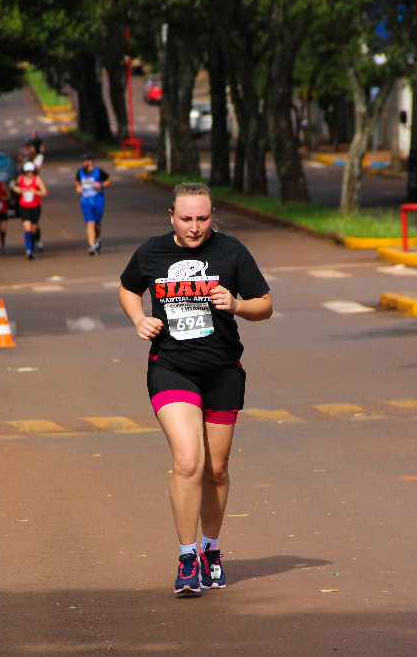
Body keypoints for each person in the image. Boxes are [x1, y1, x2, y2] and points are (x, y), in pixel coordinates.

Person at [118, 182, 273, 596]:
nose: (194, 227)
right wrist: (138, 319)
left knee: (216, 471)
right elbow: (129, 287)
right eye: (186, 219)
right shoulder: (152, 252)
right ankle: (188, 558)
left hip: (222, 370)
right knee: (189, 461)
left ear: (212, 215)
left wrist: (237, 305)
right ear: (171, 216)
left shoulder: (231, 251)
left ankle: (211, 549)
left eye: (202, 218)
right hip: (171, 368)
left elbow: (265, 304)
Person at [75, 153, 110, 255]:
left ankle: (98, 239)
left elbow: (108, 181)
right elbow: (77, 181)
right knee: (90, 223)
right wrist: (78, 187)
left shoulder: (99, 172)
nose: (82, 164)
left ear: (90, 162)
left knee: (97, 226)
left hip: (98, 202)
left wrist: (101, 184)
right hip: (86, 202)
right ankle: (92, 245)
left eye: (84, 161)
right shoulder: (80, 172)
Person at [12, 161, 47, 260]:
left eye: (31, 171)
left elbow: (44, 192)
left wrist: (35, 191)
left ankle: (33, 246)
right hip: (24, 206)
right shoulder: (21, 179)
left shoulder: (37, 180)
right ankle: (29, 249)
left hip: (35, 207)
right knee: (27, 227)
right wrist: (20, 190)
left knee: (33, 229)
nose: (29, 174)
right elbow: (14, 186)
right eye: (27, 172)